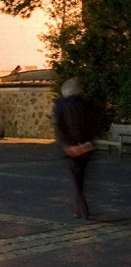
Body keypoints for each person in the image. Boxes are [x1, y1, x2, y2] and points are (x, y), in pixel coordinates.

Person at [52, 78, 99, 219]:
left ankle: (82, 208)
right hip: (85, 147)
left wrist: (67, 144)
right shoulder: (88, 104)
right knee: (81, 176)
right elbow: (94, 124)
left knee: (75, 178)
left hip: (70, 147)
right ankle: (81, 209)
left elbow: (59, 126)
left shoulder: (60, 104)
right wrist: (86, 143)